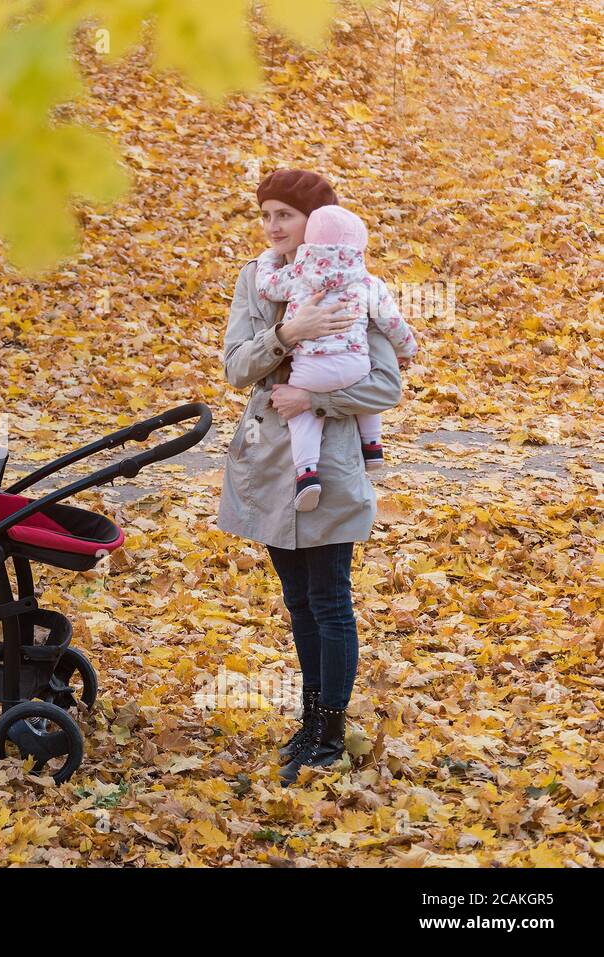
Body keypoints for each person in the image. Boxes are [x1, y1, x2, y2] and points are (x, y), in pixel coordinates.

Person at [216, 169, 404, 784]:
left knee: (329, 599)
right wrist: (285, 335)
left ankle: (328, 728)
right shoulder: (257, 279)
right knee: (297, 602)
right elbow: (236, 368)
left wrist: (314, 400)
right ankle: (308, 720)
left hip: (329, 464)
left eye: (285, 216)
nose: (273, 227)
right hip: (269, 464)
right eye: (266, 215)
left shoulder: (352, 278)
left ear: (314, 221)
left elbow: (384, 382)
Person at [254, 204, 418, 510]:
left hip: (311, 370)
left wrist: (268, 259)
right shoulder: (367, 281)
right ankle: (372, 445)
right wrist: (406, 350)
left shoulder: (299, 273)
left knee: (301, 416)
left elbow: (266, 287)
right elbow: (392, 322)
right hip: (354, 364)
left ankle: (306, 474)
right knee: (365, 390)